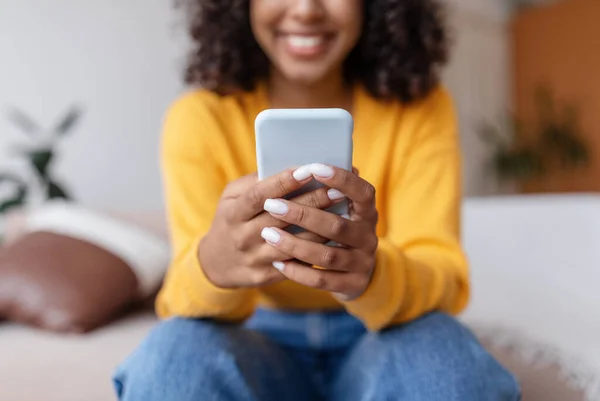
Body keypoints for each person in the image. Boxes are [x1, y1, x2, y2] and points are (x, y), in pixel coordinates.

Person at [113, 1, 521, 400]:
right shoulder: (198, 118)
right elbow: (178, 299)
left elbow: (444, 278)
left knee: (447, 366)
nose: (306, 9)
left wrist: (372, 273)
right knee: (170, 360)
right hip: (254, 332)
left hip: (382, 330)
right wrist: (214, 264)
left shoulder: (420, 108)